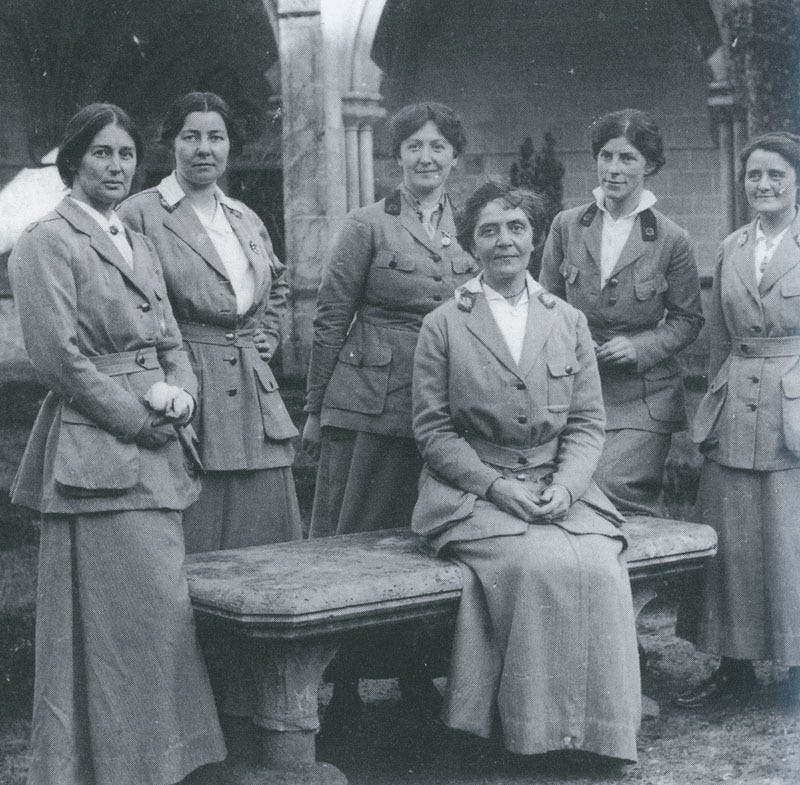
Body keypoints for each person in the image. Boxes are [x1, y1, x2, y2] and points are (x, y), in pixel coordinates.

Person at [8, 103, 225, 785]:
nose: (115, 167)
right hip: (98, 452)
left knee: (157, 617)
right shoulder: (49, 238)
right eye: (101, 154)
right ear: (73, 161)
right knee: (117, 626)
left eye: (125, 155)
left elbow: (169, 339)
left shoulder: (133, 236)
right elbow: (59, 361)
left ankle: (157, 762)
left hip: (159, 446)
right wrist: (138, 417)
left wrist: (182, 395)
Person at [412, 180, 641, 762]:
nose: (504, 241)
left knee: (600, 567)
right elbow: (433, 431)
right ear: (471, 245)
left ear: (535, 238)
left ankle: (600, 734)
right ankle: (534, 734)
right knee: (535, 566)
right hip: (474, 493)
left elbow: (588, 423)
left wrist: (567, 486)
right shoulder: (443, 323)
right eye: (488, 230)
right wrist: (495, 486)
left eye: (516, 228)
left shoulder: (567, 320)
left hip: (560, 487)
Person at [301, 101, 479, 721]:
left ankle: (409, 670)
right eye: (413, 148)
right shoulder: (366, 224)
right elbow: (330, 317)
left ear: (454, 158)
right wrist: (315, 407)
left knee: (421, 541)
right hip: (367, 406)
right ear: (395, 156)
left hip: (440, 407)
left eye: (437, 148)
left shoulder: (474, 229)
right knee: (353, 539)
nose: (425, 158)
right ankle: (341, 679)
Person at [119, 91, 301, 554]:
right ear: (171, 144)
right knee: (196, 535)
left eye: (215, 137)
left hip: (253, 390)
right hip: (188, 382)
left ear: (229, 146)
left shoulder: (243, 216)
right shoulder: (141, 213)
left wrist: (271, 334)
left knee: (267, 540)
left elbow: (277, 283)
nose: (205, 149)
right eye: (191, 137)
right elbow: (123, 302)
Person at [676, 132, 800, 708]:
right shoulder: (730, 246)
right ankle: (735, 665)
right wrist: (710, 412)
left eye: (776, 174)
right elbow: (718, 340)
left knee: (790, 535)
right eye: (754, 175)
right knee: (735, 537)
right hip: (736, 402)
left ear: (796, 181)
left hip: (794, 405)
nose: (764, 185)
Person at [540, 109, 703, 516]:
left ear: (649, 164)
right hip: (577, 392)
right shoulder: (567, 226)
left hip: (645, 399)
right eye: (606, 156)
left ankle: (644, 577)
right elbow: (546, 305)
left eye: (627, 158)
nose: (613, 169)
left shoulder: (671, 238)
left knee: (608, 489)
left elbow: (688, 319)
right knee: (562, 493)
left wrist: (640, 346)